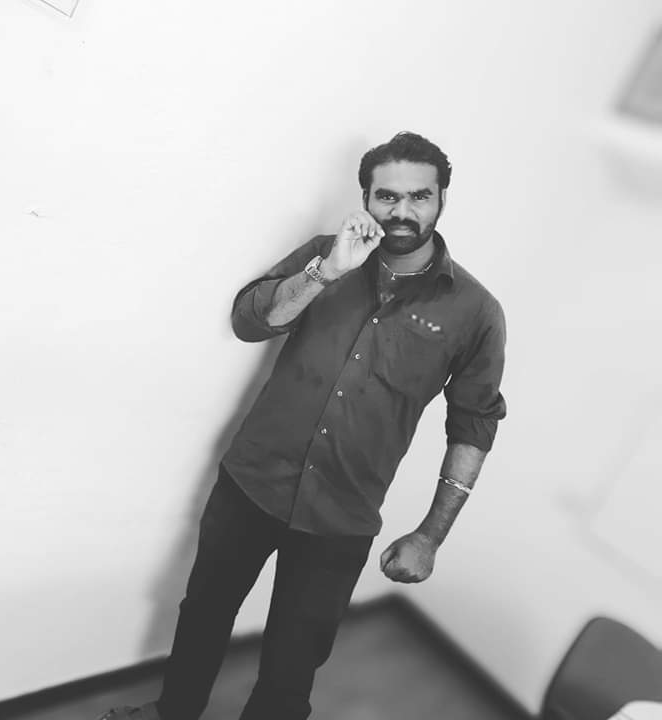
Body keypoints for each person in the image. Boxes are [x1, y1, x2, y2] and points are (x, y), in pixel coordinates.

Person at [96, 131, 507, 720]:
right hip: (252, 482)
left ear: (442, 199)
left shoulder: (475, 311)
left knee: (292, 667)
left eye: (420, 196)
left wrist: (430, 536)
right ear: (366, 199)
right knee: (204, 613)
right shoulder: (325, 254)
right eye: (387, 196)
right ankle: (173, 712)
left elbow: (473, 425)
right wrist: (328, 271)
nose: (402, 211)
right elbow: (250, 321)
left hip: (341, 515)